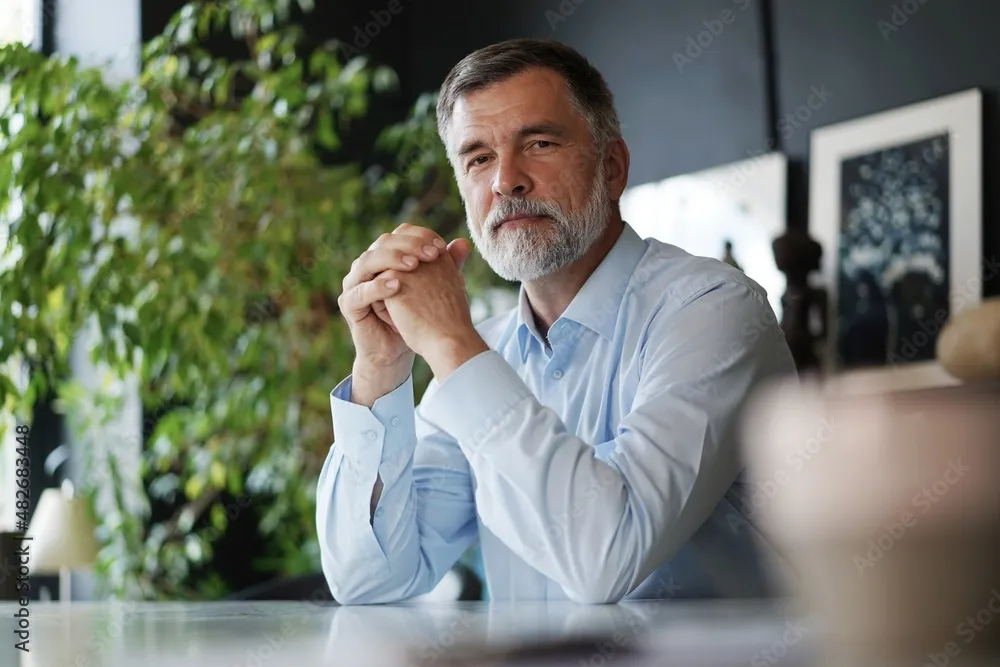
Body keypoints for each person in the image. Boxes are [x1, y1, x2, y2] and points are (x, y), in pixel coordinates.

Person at [317, 38, 797, 605]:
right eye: (478, 158)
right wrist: (380, 368)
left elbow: (606, 558)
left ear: (612, 168)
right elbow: (369, 580)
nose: (506, 181)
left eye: (539, 143)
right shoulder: (483, 352)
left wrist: (450, 345)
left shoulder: (713, 308)